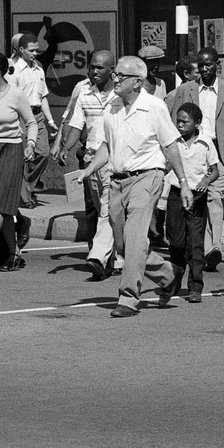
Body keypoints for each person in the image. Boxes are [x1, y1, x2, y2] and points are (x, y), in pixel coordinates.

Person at [74, 56, 192, 318]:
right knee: (123, 245)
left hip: (147, 177)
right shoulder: (112, 107)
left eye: (120, 76)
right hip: (117, 180)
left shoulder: (154, 107)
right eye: (115, 74)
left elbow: (170, 145)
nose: (114, 79)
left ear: (137, 82)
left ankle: (128, 297)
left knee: (137, 238)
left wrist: (183, 183)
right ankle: (168, 275)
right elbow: (107, 145)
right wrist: (89, 169)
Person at [168, 47, 224, 272]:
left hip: (219, 152)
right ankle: (202, 247)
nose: (205, 68)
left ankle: (214, 247)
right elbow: (174, 122)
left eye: (209, 64)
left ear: (217, 65)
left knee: (214, 200)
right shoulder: (185, 89)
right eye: (201, 65)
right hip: (192, 149)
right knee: (197, 202)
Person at [0, 50, 37, 276]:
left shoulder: (15, 94)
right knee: (2, 207)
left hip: (10, 151)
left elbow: (31, 122)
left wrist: (30, 144)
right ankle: (14, 253)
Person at [59, 51, 117, 279]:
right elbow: (76, 125)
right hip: (90, 160)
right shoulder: (85, 95)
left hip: (112, 161)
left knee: (106, 211)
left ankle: (100, 259)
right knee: (97, 211)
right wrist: (65, 148)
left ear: (111, 70)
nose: (94, 71)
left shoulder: (121, 96)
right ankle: (109, 258)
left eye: (99, 68)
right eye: (92, 67)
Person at [159, 103, 219, 304]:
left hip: (197, 196)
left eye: (185, 121)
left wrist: (206, 180)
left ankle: (195, 286)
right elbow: (166, 165)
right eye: (178, 121)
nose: (180, 124)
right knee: (175, 241)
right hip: (176, 194)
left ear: (197, 123)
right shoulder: (172, 142)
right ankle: (174, 278)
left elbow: (215, 170)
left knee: (195, 242)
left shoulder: (206, 142)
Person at [9, 32, 56, 206]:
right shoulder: (13, 70)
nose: (35, 54)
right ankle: (24, 198)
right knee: (23, 157)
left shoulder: (38, 68)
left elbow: (43, 96)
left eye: (37, 50)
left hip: (38, 116)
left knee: (43, 153)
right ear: (21, 50)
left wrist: (50, 121)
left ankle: (25, 189)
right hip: (21, 116)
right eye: (31, 51)